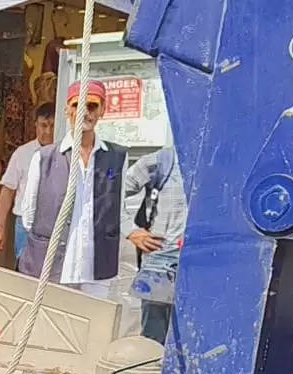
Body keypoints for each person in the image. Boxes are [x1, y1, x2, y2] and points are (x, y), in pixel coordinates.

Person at [19, 81, 128, 299]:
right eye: (77, 105)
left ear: (102, 111)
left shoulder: (117, 157)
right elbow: (28, 216)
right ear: (67, 110)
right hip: (52, 264)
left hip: (96, 269)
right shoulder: (45, 157)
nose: (84, 113)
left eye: (92, 106)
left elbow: (119, 209)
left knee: (93, 328)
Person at [122, 146, 187, 344]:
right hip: (161, 263)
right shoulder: (164, 160)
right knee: (152, 343)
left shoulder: (222, 159)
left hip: (206, 263)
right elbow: (111, 192)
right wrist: (130, 230)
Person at [0, 103, 55, 264]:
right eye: (43, 125)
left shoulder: (66, 154)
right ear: (35, 125)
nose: (48, 131)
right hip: (25, 225)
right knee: (25, 270)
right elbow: (8, 190)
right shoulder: (22, 153)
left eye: (52, 126)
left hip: (54, 225)